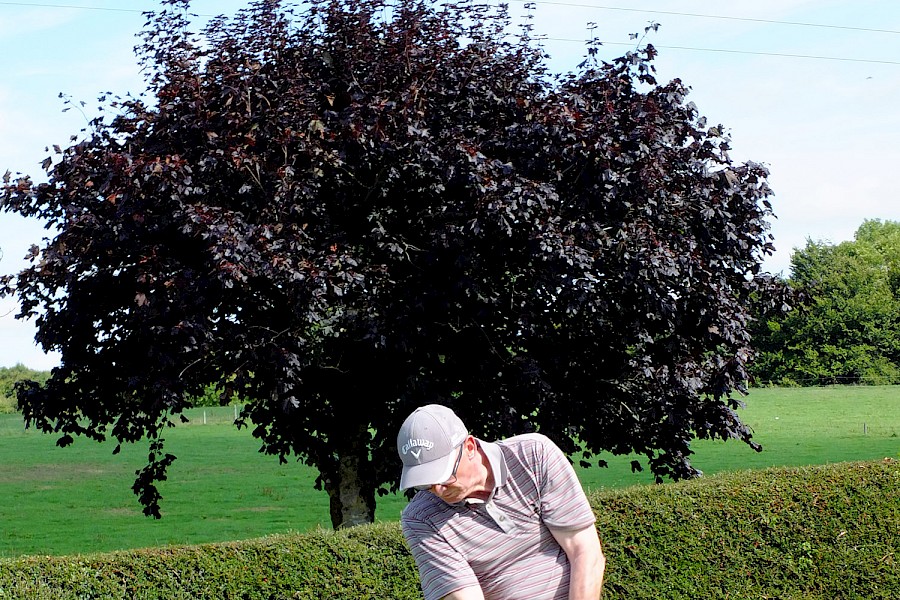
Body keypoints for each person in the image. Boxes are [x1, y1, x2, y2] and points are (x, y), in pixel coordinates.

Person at [397, 404, 606, 600]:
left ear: (469, 447)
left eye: (444, 475)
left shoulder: (534, 455)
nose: (438, 490)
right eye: (425, 483)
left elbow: (584, 551)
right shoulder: (421, 517)